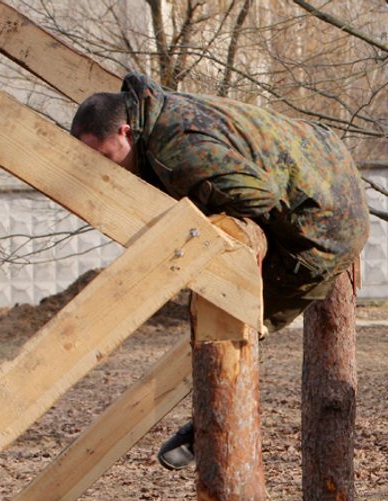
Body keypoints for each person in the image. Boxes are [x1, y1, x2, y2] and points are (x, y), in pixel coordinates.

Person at [71, 72, 370, 470]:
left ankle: (208, 425)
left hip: (326, 225)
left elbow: (256, 198)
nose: (104, 169)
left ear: (125, 131)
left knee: (236, 315)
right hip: (328, 169)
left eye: (105, 157)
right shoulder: (160, 110)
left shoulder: (175, 149)